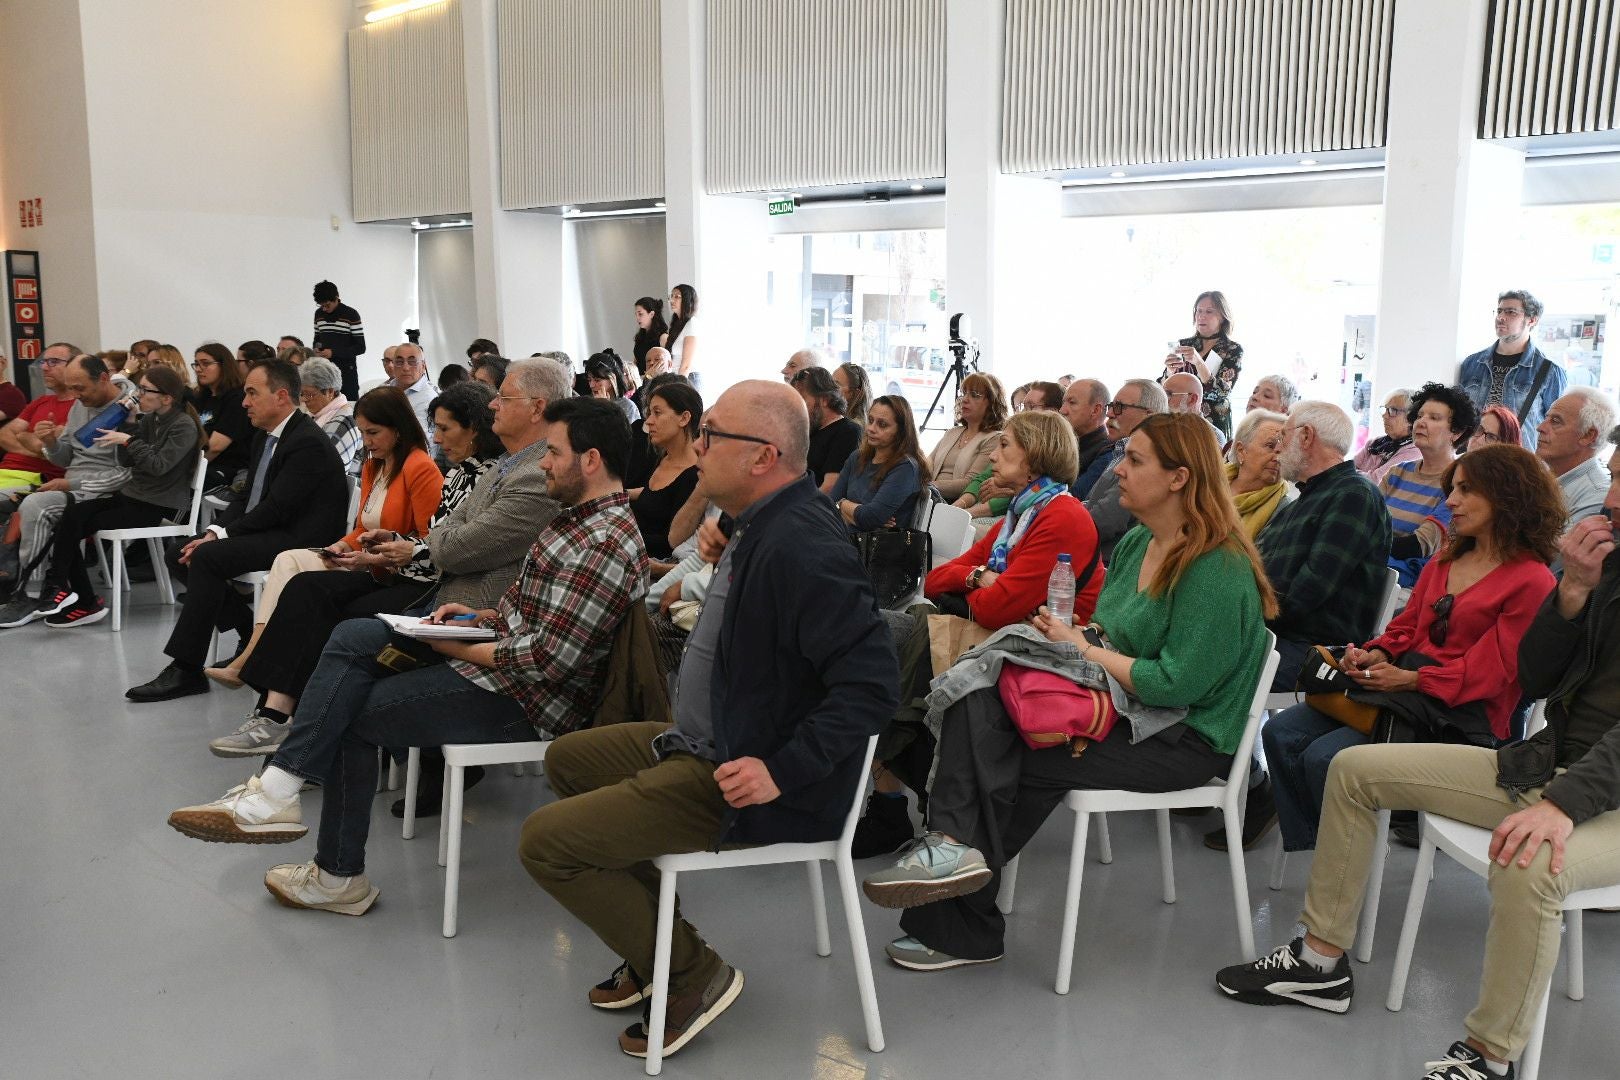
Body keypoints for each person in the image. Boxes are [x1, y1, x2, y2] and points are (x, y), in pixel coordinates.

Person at [517, 380, 897, 1060]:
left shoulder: (802, 546)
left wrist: (782, 769)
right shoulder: (761, 525)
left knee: (547, 843)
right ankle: (652, 943)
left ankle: (692, 972)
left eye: (712, 435)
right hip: (709, 738)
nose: (698, 445)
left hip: (747, 775)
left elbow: (870, 688)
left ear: (763, 456)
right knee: (568, 758)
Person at [168, 396, 648, 916]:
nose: (545, 462)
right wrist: (477, 618)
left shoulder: (601, 541)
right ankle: (288, 809)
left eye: (553, 452)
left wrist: (449, 644)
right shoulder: (577, 522)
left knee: (348, 713)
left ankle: (322, 856)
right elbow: (531, 615)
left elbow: (547, 661)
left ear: (592, 460)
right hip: (509, 673)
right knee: (352, 639)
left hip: (531, 701)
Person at [1212, 485, 1620, 1080]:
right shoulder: (1600, 573)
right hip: (1548, 765)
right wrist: (1575, 591)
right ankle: (1320, 965)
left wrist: (1561, 804)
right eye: (1611, 476)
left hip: (1591, 791)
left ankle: (1489, 1059)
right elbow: (1537, 675)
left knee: (1531, 864)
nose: (1609, 496)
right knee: (1351, 771)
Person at [862, 413, 1277, 971]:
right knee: (980, 696)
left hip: (1183, 736)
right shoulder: (1137, 543)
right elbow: (1106, 629)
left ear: (1179, 478)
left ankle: (959, 898)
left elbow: (1178, 683)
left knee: (1010, 748)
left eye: (1135, 460)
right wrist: (1074, 644)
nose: (1118, 472)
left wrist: (1082, 650)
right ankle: (954, 866)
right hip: (1124, 703)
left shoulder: (1215, 567)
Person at [207, 366, 565, 800]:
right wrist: (396, 546)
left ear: (536, 408)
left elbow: (455, 545)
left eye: (503, 398)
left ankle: (280, 773)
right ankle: (279, 751)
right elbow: (444, 534)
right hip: (444, 592)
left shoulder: (526, 472)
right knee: (310, 592)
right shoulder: (495, 467)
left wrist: (413, 547)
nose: (494, 405)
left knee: (343, 638)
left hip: (465, 607)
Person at [1262, 443, 1562, 862]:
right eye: (1451, 489)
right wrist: (1377, 652)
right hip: (1405, 694)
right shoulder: (1446, 562)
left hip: (1461, 714)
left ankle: (1340, 859)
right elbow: (1405, 627)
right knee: (1279, 733)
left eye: (1465, 490)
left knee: (1324, 757)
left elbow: (1494, 673)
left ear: (1508, 496)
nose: (1451, 501)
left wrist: (1415, 679)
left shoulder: (1532, 580)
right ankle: (1327, 848)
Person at [854, 411, 1109, 857]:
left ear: (1035, 458)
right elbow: (933, 581)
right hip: (986, 633)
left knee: (873, 650)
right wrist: (977, 577)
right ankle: (901, 800)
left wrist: (974, 582)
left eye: (1006, 445)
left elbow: (998, 608)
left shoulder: (1061, 516)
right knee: (868, 644)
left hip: (1038, 654)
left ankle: (904, 806)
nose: (993, 453)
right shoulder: (1021, 513)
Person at [1201, 401, 1393, 853]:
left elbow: (1308, 595)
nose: (1279, 447)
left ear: (1306, 438)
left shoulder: (1353, 496)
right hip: (1278, 636)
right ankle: (1232, 779)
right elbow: (1256, 575)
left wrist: (1235, 618)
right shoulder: (1307, 498)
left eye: (1284, 435)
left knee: (1205, 669)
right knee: (1188, 650)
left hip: (1318, 651)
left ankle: (1250, 786)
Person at [125, 359, 349, 703]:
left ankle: (186, 667)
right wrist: (214, 529)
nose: (244, 402)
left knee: (207, 557)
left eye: (252, 393)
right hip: (274, 529)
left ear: (282, 397)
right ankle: (248, 634)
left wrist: (219, 537)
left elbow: (277, 508)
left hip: (302, 539)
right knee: (180, 553)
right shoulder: (267, 436)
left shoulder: (307, 442)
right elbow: (247, 498)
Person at [202, 386, 440, 686]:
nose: (366, 442)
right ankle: (253, 655)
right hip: (365, 560)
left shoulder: (420, 468)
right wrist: (340, 546)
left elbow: (426, 541)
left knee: (299, 581)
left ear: (398, 429)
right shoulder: (373, 465)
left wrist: (370, 556)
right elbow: (362, 528)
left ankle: (253, 660)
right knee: (288, 560)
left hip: (391, 570)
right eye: (363, 433)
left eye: (374, 433)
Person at [23, 365, 202, 627]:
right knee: (71, 518)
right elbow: (128, 461)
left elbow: (158, 466)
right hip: (132, 496)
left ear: (166, 398)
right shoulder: (150, 419)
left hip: (155, 506)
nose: (139, 394)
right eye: (138, 387)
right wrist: (129, 427)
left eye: (145, 390)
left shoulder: (183, 426)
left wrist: (128, 440)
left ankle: (76, 597)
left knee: (75, 524)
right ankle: (61, 587)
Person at [0, 354, 136, 624]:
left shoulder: (129, 408)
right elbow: (66, 458)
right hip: (72, 485)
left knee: (35, 506)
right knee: (23, 504)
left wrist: (69, 483)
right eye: (70, 388)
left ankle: (34, 593)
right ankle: (29, 588)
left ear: (104, 378)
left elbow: (126, 474)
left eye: (80, 388)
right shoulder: (78, 405)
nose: (74, 395)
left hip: (104, 490)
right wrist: (50, 441)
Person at [1384, 383, 1478, 586]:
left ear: (1457, 432)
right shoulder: (1397, 473)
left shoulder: (1459, 483)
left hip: (1412, 585)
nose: (1421, 422)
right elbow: (1367, 520)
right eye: (1419, 415)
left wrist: (1367, 543)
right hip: (1377, 568)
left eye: (1434, 418)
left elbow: (1419, 545)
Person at [1458, 289, 1565, 451]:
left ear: (1532, 320)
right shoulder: (1472, 363)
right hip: (1472, 458)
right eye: (1499, 311)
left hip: (1518, 463)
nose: (1501, 317)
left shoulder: (1549, 371)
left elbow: (1557, 428)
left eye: (1511, 312)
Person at [1083, 377, 1170, 563]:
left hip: (1108, 563)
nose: (1110, 415)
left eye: (1120, 407)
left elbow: (1105, 520)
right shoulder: (1118, 450)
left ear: (1149, 415)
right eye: (1111, 406)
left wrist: (1057, 524)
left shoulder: (1151, 460)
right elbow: (1090, 503)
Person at [830, 395, 931, 534]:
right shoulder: (857, 457)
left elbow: (871, 517)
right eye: (870, 420)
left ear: (901, 431)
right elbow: (829, 504)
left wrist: (841, 505)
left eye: (882, 424)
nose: (871, 428)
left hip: (879, 549)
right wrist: (856, 511)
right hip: (843, 538)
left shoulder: (905, 468)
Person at [627, 379, 701, 567]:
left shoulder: (694, 474)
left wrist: (623, 537)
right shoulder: (664, 457)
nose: (649, 421)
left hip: (649, 559)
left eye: (657, 413)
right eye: (650, 413)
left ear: (684, 418)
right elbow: (654, 496)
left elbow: (670, 543)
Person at [1533, 388, 1617, 537]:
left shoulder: (1597, 495)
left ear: (1588, 435)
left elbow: (1557, 557)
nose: (1540, 427)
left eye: (1555, 421)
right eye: (1546, 418)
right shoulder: (1538, 478)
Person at [1163, 290, 1244, 440]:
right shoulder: (1184, 344)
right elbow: (1163, 388)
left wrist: (1199, 363)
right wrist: (1169, 371)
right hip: (1179, 417)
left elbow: (1222, 392)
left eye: (1209, 311)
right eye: (1198, 311)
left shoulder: (1232, 349)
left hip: (1212, 421)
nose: (1201, 316)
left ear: (1222, 317)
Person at [928, 371, 1006, 502]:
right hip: (930, 497)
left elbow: (970, 483)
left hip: (954, 503)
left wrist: (927, 487)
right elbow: (928, 462)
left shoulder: (994, 438)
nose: (964, 399)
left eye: (974, 395)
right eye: (964, 393)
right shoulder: (953, 432)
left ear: (992, 403)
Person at [191, 342, 252, 489]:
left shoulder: (237, 398)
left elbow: (215, 447)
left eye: (205, 364)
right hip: (204, 462)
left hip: (226, 467)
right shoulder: (202, 397)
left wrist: (188, 469)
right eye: (196, 364)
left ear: (224, 365)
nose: (199, 369)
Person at [792, 366, 862, 492]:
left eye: (803, 401)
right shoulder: (810, 428)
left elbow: (830, 486)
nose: (798, 409)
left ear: (825, 399)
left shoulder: (847, 431)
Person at [1224, 408, 1290, 538]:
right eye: (1270, 446)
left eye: (1284, 450)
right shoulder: (1206, 484)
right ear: (1241, 451)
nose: (1278, 457)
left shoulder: (1285, 510)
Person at [297, 356, 362, 476]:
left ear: (330, 392)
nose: (304, 400)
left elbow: (327, 470)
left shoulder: (345, 421)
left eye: (310, 395)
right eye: (302, 393)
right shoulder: (314, 415)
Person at [1060, 378, 1115, 497]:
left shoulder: (1107, 453)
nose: (1062, 410)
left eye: (1072, 402)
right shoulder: (1063, 445)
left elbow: (1071, 497)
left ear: (1095, 410)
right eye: (1063, 402)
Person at [311, 279, 366, 399]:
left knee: (349, 408)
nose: (324, 309)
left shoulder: (351, 314)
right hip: (324, 372)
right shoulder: (318, 314)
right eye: (321, 305)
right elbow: (317, 339)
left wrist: (333, 352)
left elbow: (361, 347)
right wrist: (316, 349)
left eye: (327, 305)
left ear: (336, 298)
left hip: (346, 373)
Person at [1354, 387, 1420, 484]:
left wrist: (1352, 474)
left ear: (1411, 418)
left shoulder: (1413, 452)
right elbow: (1346, 468)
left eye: (1393, 410)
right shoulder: (1375, 443)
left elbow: (1376, 481)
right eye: (1385, 409)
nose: (1384, 415)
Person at [390, 343, 435, 435]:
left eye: (412, 362)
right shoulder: (385, 390)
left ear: (423, 367)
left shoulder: (429, 399)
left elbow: (421, 439)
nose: (405, 368)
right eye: (399, 362)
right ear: (393, 366)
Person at [586, 350, 640, 423]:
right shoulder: (586, 404)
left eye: (597, 380)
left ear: (612, 378)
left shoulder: (627, 406)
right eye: (589, 380)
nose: (591, 385)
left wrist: (604, 407)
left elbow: (624, 433)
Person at [662, 283, 699, 382]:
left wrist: (679, 385)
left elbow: (686, 366)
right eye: (671, 296)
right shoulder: (676, 325)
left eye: (677, 297)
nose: (672, 300)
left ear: (687, 300)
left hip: (688, 378)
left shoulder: (692, 324)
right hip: (677, 378)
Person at [632, 297, 668, 375]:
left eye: (640, 314)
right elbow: (635, 363)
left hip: (657, 382)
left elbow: (667, 366)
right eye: (636, 315)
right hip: (641, 382)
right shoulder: (640, 338)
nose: (637, 318)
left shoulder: (663, 338)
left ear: (651, 314)